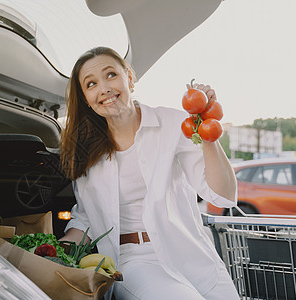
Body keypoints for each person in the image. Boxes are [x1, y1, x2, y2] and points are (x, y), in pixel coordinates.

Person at [59, 46, 239, 300]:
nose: (104, 88)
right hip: (134, 262)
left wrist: (207, 128)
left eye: (111, 75)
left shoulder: (174, 124)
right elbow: (86, 219)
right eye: (91, 84)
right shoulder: (87, 154)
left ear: (129, 78)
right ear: (87, 99)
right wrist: (55, 251)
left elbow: (223, 195)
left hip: (191, 252)